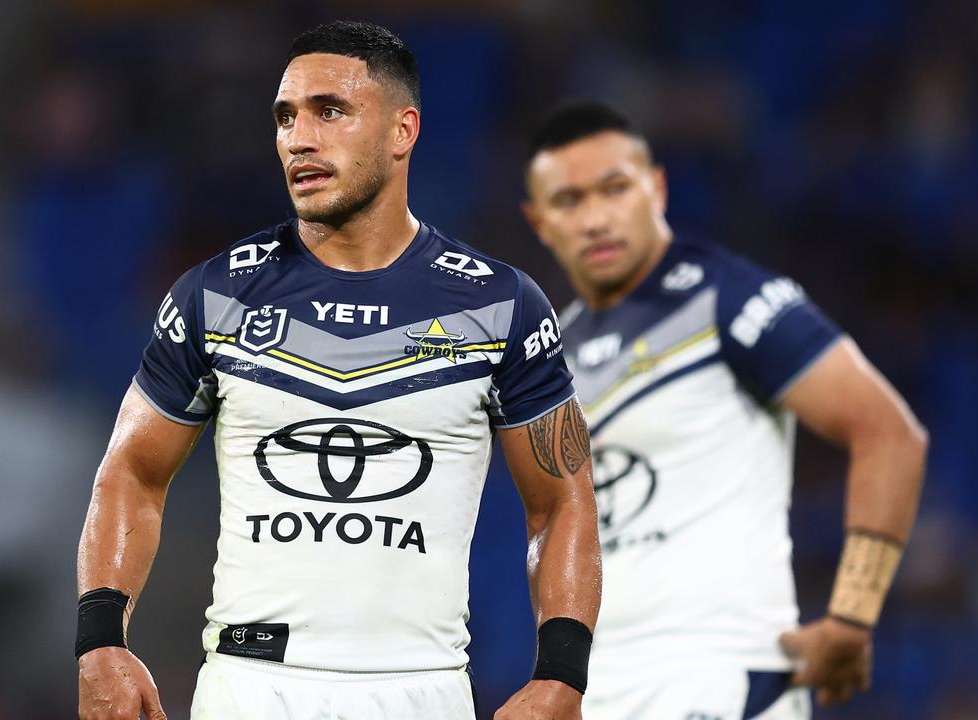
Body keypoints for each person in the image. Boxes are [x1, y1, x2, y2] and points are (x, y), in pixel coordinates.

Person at [76, 22, 602, 720]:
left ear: (401, 131)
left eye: (330, 111)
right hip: (249, 686)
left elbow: (562, 501)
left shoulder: (499, 305)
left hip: (421, 689)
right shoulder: (215, 295)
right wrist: (100, 642)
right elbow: (132, 472)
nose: (299, 137)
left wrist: (562, 674)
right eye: (285, 117)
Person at [519, 101, 927, 720]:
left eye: (615, 189)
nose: (596, 219)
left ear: (656, 188)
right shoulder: (551, 351)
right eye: (569, 201)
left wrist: (851, 614)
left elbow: (888, 432)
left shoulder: (726, 297)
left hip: (717, 677)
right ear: (538, 221)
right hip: (596, 688)